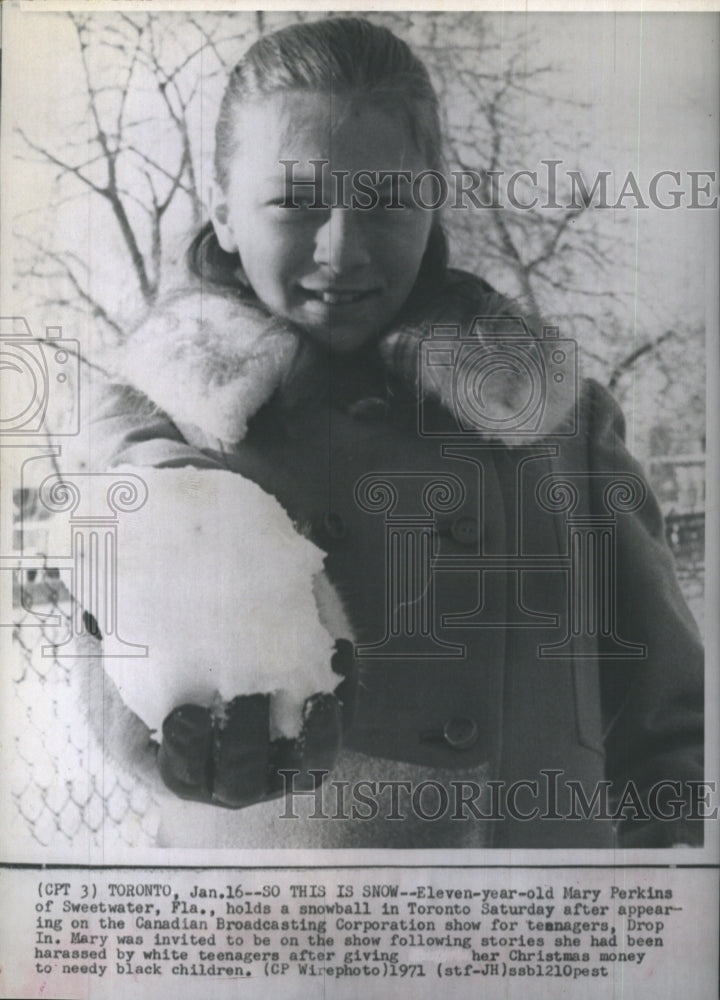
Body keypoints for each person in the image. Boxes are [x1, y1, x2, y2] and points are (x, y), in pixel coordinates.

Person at [79, 16, 703, 849]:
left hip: (537, 944)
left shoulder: (559, 420)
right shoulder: (163, 432)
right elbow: (118, 686)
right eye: (297, 203)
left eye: (385, 202)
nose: (342, 250)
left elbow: (665, 715)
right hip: (282, 951)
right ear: (224, 213)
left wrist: (666, 911)